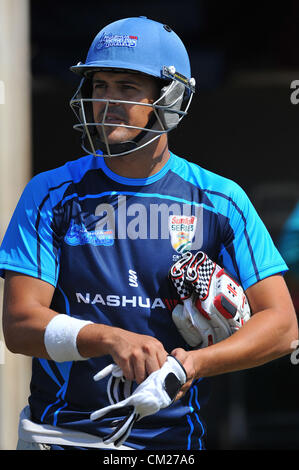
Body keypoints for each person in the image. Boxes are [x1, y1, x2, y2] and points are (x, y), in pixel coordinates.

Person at [0, 16, 297, 451]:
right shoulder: (50, 193)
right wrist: (110, 339)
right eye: (100, 87)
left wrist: (193, 364)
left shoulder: (222, 201)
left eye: (126, 88)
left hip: (173, 444)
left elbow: (283, 325)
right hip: (60, 437)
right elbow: (20, 324)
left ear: (170, 99)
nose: (107, 102)